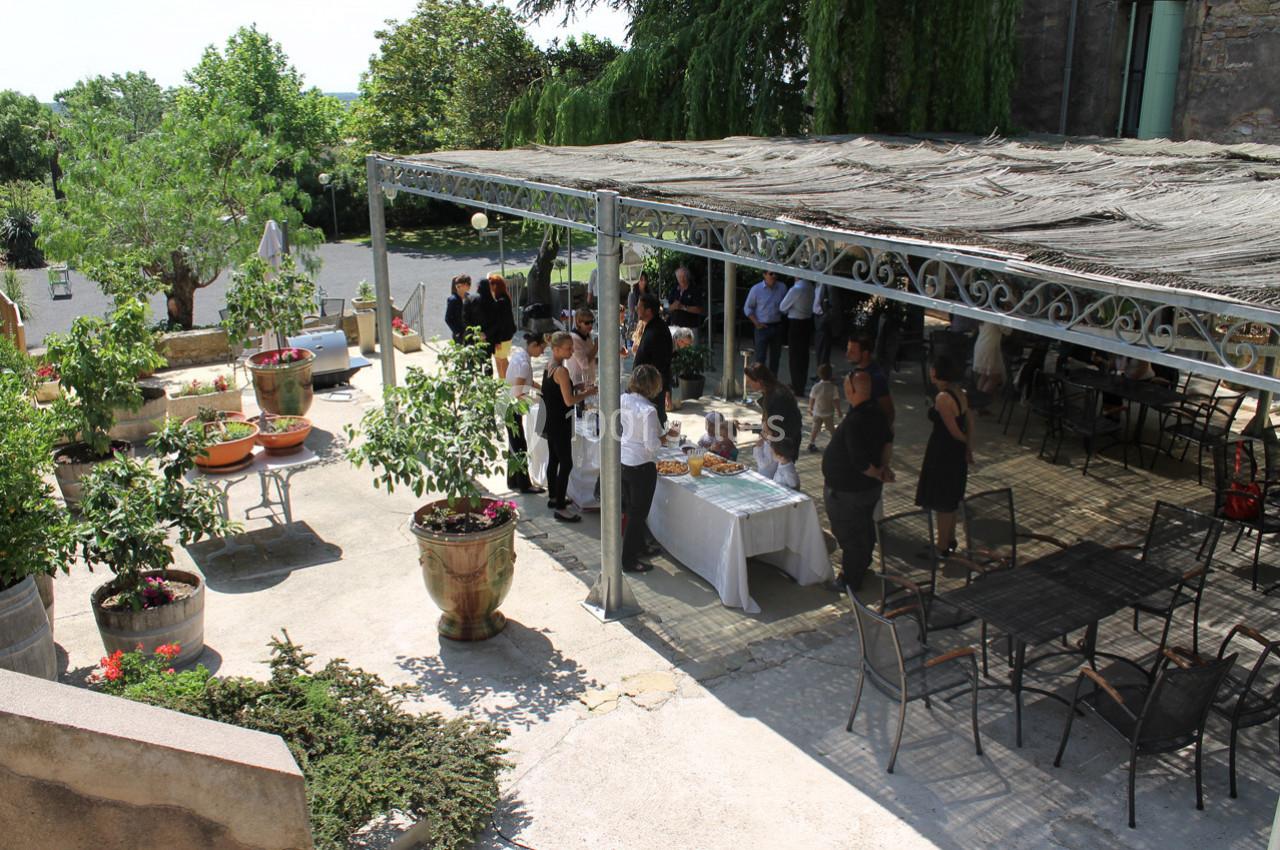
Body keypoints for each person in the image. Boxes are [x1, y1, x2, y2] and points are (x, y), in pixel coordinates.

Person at [823, 370, 894, 592]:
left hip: (849, 490)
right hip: (866, 489)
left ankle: (850, 579)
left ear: (850, 390)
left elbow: (859, 461)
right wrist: (883, 468)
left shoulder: (856, 420)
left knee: (849, 534)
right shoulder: (878, 412)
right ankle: (862, 565)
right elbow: (888, 442)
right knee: (863, 527)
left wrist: (877, 472)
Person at [915, 354, 974, 555]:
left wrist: (964, 442)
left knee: (942, 501)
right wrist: (968, 446)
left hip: (944, 451)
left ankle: (941, 546)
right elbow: (968, 422)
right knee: (951, 497)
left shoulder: (942, 398)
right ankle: (949, 538)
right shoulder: (960, 392)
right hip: (955, 451)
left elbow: (953, 429)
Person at [542, 332, 596, 523]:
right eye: (568, 348)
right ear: (556, 349)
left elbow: (557, 393)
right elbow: (569, 400)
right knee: (566, 463)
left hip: (550, 419)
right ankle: (560, 507)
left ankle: (553, 497)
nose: (572, 351)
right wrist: (588, 392)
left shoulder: (549, 366)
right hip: (561, 421)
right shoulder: (562, 372)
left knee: (554, 459)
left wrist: (576, 387)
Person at [620, 364, 665, 573]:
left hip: (624, 460)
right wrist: (663, 438)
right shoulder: (648, 410)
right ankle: (628, 560)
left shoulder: (624, 399)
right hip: (641, 465)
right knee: (638, 514)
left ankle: (639, 547)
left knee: (632, 510)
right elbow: (651, 445)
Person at [505, 332, 545, 494]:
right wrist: (536, 401)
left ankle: (512, 480)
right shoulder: (524, 364)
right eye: (541, 348)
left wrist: (543, 390)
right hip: (513, 407)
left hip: (509, 405)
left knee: (514, 446)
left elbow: (528, 382)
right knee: (520, 445)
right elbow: (518, 392)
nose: (542, 352)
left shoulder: (520, 356)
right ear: (534, 345)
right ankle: (524, 484)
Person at [744, 362, 802, 473]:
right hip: (778, 443)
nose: (747, 384)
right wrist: (752, 428)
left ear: (759, 381)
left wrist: (760, 433)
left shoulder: (777, 397)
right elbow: (770, 426)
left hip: (782, 447)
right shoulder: (772, 392)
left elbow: (774, 428)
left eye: (750, 381)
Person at [632, 292, 673, 424]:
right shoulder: (652, 327)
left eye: (639, 307)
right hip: (645, 388)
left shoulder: (658, 331)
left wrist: (665, 388)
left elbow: (662, 363)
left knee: (654, 423)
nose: (636, 309)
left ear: (648, 311)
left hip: (651, 390)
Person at [847, 333, 895, 428]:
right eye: (847, 350)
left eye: (852, 352)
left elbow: (888, 411)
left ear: (865, 354)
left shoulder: (875, 378)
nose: (847, 354)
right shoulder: (857, 371)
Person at [743, 271, 787, 374]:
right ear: (764, 275)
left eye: (776, 274)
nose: (774, 276)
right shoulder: (756, 289)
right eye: (771, 274)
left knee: (775, 358)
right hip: (762, 327)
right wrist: (756, 322)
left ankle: (772, 383)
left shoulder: (782, 287)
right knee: (760, 358)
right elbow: (747, 307)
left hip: (777, 325)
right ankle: (760, 383)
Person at [779, 277, 814, 395]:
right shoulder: (810, 286)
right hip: (807, 322)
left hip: (796, 323)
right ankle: (800, 384)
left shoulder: (796, 289)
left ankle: (796, 385)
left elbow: (782, 307)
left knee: (795, 356)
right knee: (804, 356)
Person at [481, 273, 518, 379]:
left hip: (503, 337)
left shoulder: (501, 301)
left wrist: (497, 340)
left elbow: (501, 323)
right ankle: (502, 383)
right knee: (499, 360)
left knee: (502, 361)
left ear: (495, 285)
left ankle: (506, 384)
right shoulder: (503, 298)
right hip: (503, 336)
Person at [973, 321, 1010, 404]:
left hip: (981, 344)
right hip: (990, 348)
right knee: (995, 378)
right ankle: (981, 402)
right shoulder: (997, 318)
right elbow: (1008, 331)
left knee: (984, 375)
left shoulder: (986, 314)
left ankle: (977, 402)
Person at [807, 363, 841, 452]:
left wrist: (810, 408)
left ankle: (811, 442)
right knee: (831, 428)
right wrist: (839, 410)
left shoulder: (816, 387)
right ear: (831, 375)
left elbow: (812, 398)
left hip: (817, 412)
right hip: (828, 413)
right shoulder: (833, 387)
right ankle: (836, 443)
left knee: (815, 428)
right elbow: (836, 400)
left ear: (819, 374)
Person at [445, 274, 483, 345]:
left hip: (470, 332)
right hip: (460, 334)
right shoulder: (453, 300)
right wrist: (457, 332)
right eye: (467, 283)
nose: (469, 285)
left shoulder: (469, 297)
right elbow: (448, 318)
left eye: (469, 283)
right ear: (460, 286)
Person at [568, 309, 599, 389]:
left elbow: (590, 356)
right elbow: (584, 363)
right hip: (578, 383)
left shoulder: (587, 335)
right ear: (578, 322)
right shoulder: (574, 339)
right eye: (587, 323)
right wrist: (596, 346)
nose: (590, 325)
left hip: (588, 380)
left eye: (592, 322)